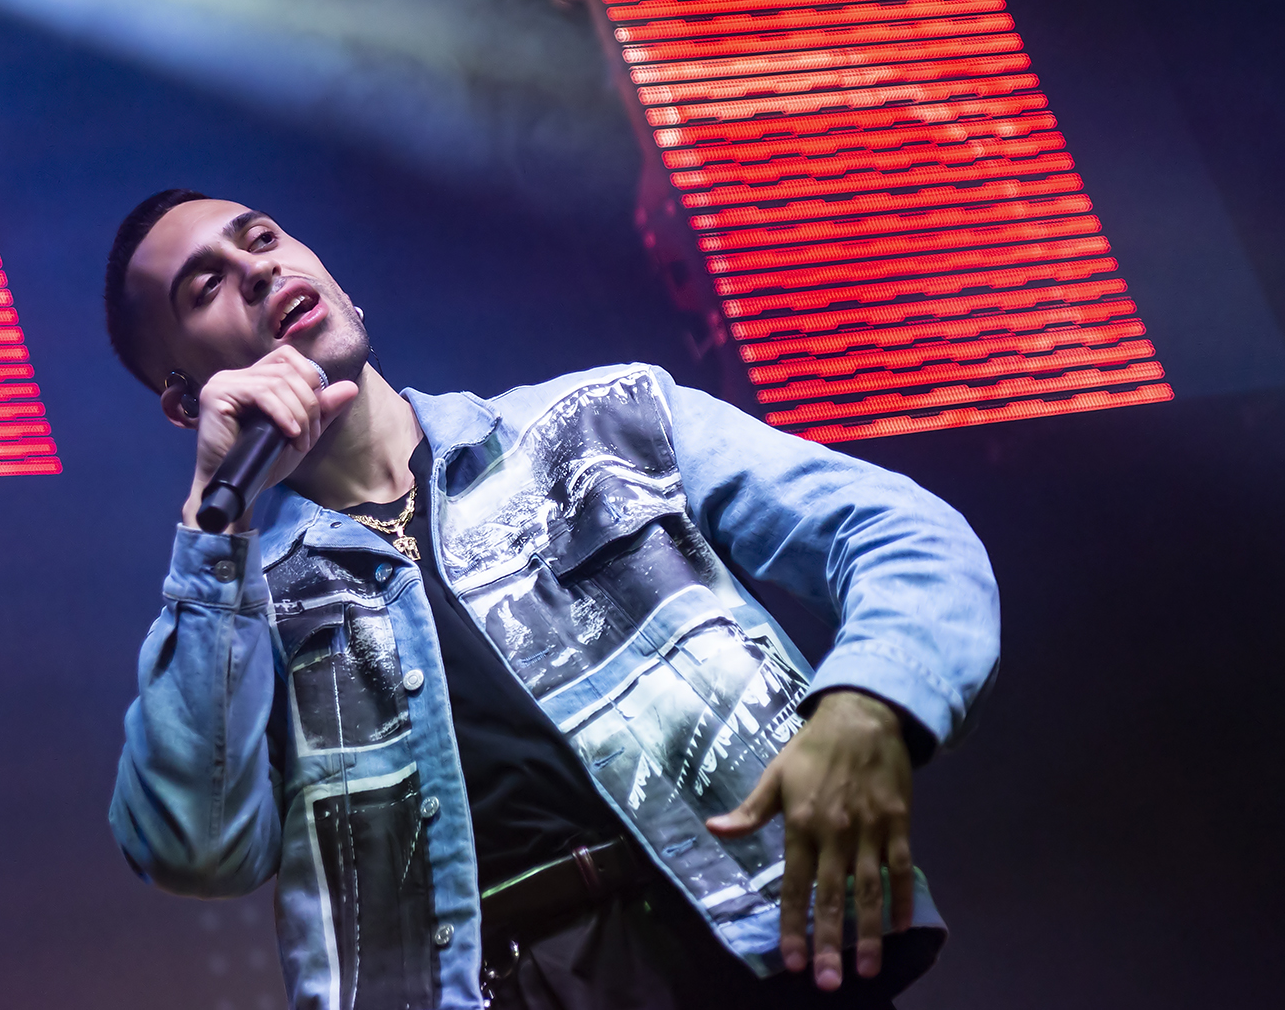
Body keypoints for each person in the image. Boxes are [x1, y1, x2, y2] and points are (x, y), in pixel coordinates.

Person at [105, 190, 999, 1010]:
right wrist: (211, 519)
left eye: (262, 237)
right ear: (185, 402)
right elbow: (195, 847)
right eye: (206, 286)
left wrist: (867, 707)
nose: (257, 268)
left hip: (765, 954)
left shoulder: (604, 420)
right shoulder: (236, 609)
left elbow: (899, 533)